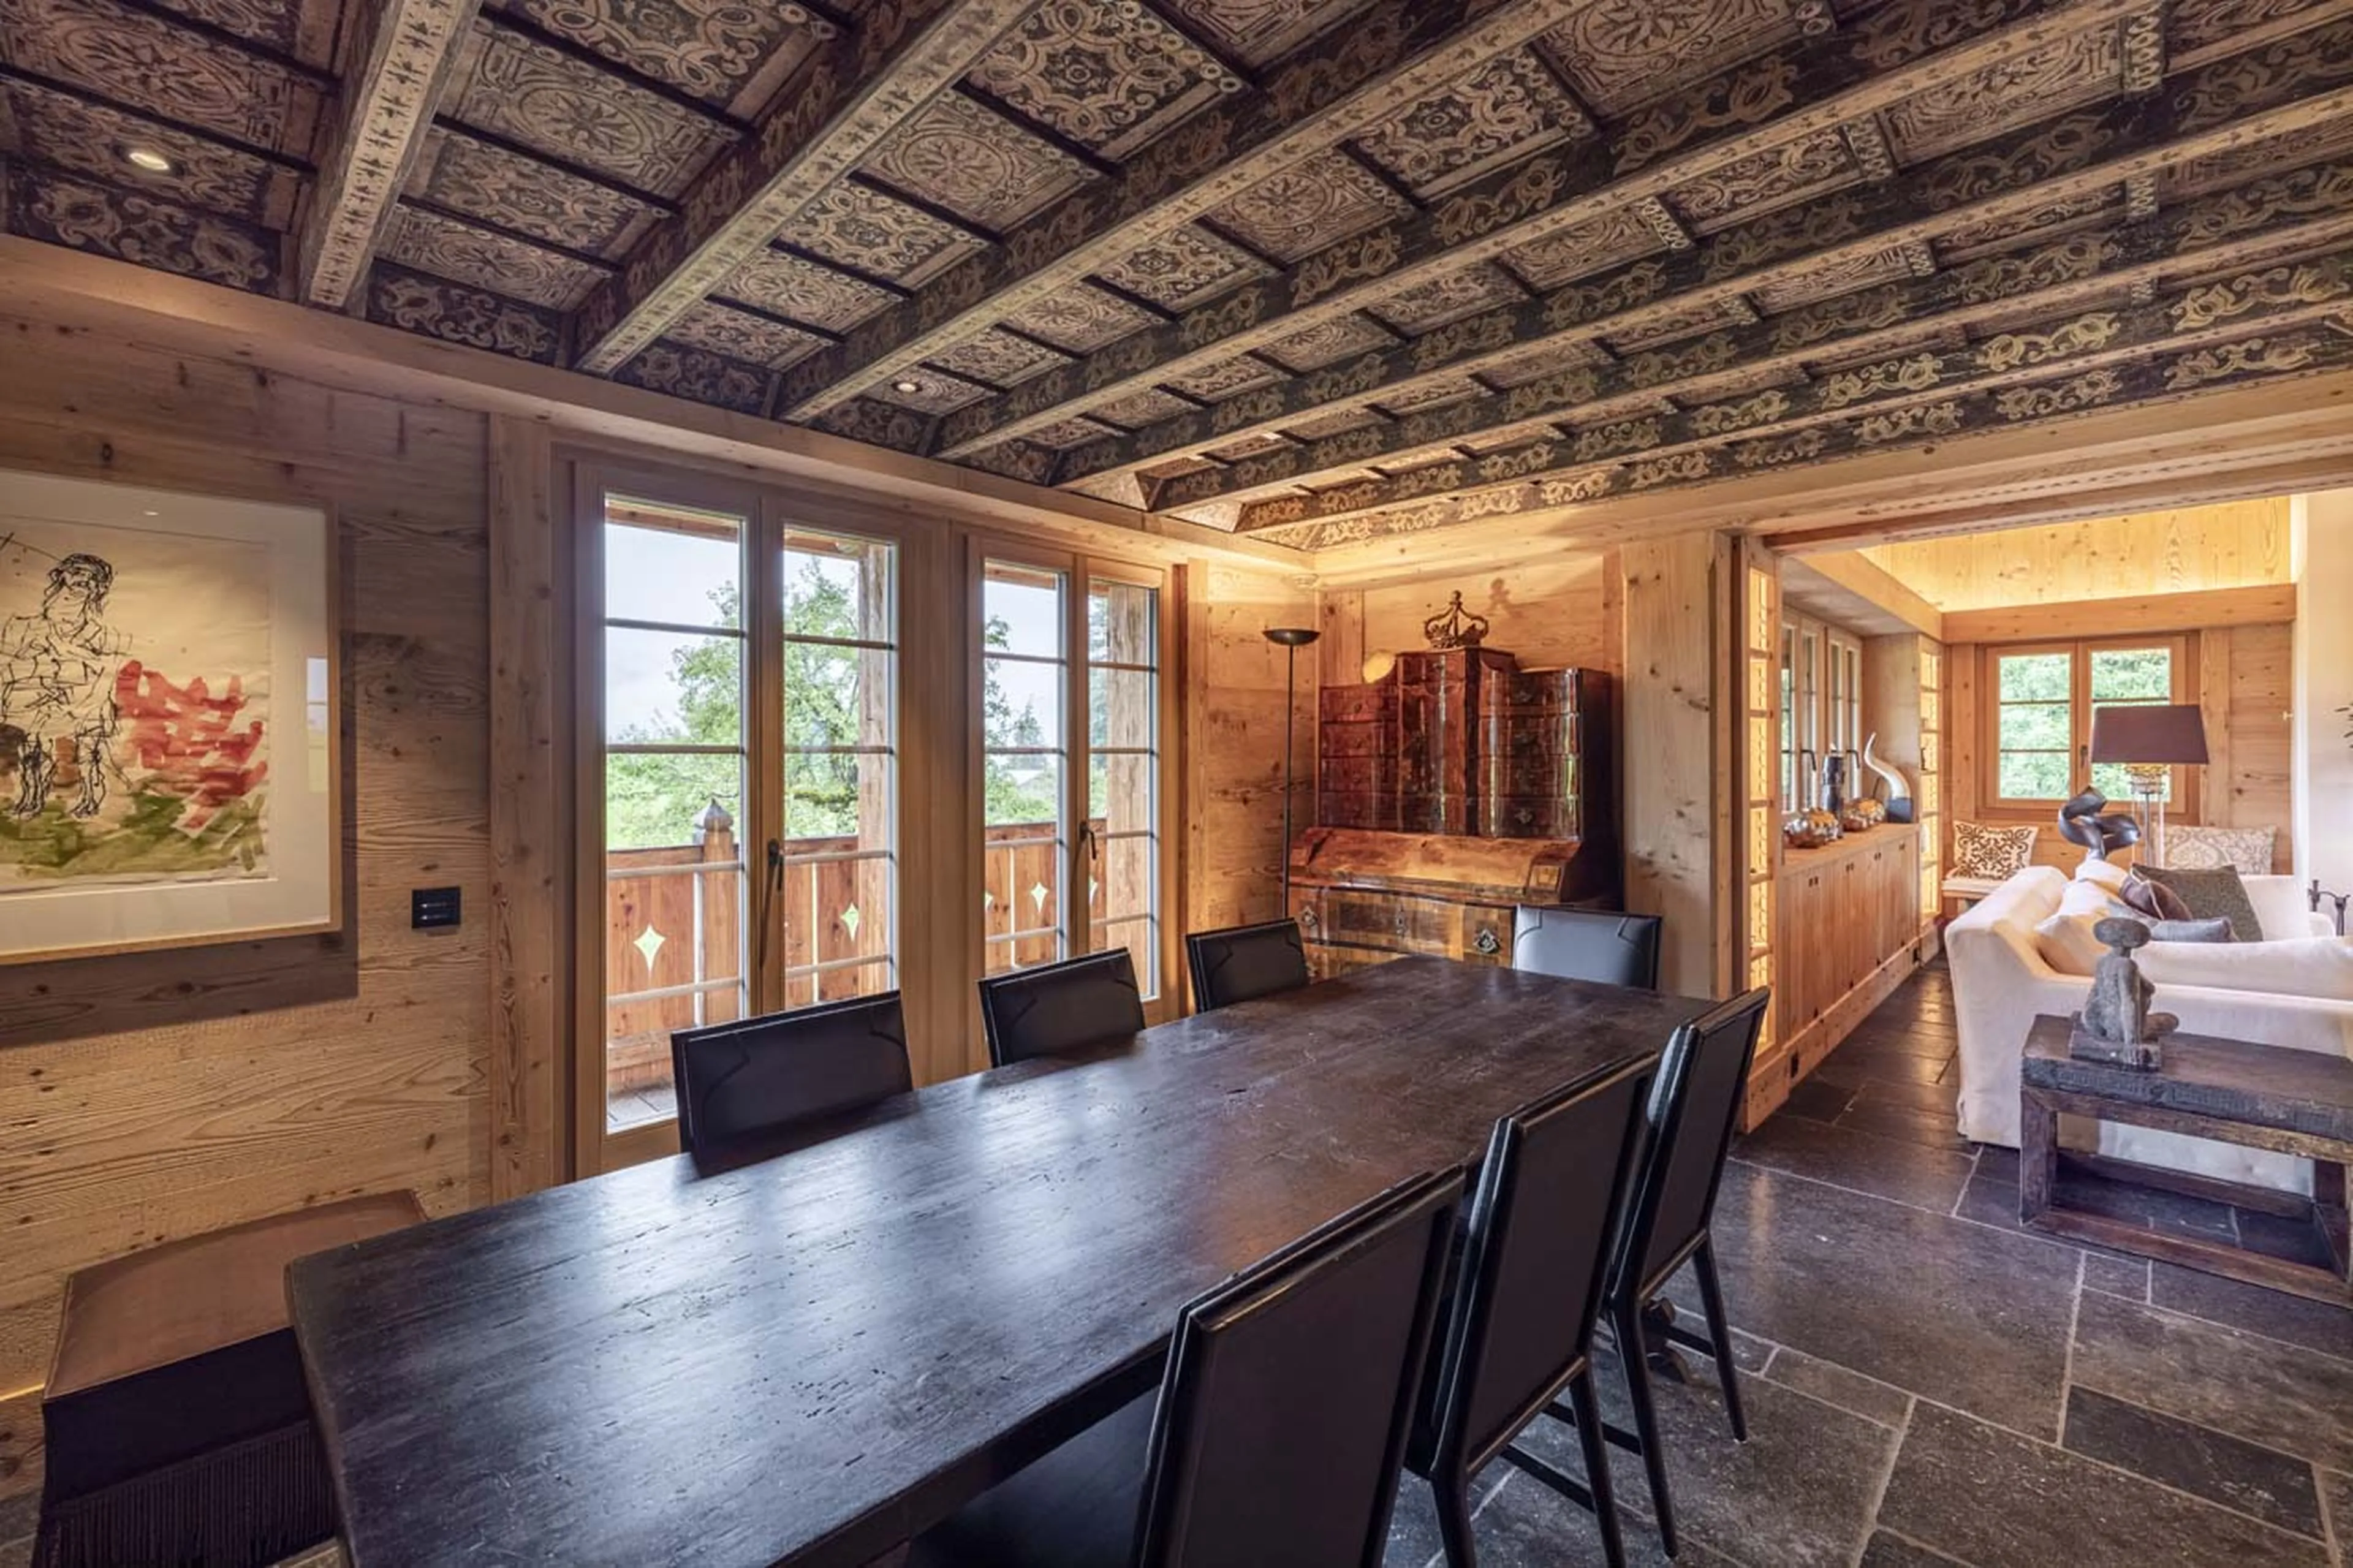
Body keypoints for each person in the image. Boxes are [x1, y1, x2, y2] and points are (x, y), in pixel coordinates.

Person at [0, 552, 127, 819]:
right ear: (62, 578)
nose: (80, 582)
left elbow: (105, 670)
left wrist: (68, 662)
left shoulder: (101, 633)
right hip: (43, 699)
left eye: (88, 579)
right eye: (75, 575)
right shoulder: (34, 626)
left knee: (89, 753)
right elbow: (14, 660)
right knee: (34, 751)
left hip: (86, 701)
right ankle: (32, 799)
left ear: (98, 588)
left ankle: (91, 802)